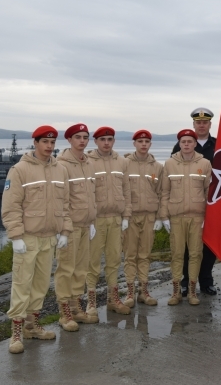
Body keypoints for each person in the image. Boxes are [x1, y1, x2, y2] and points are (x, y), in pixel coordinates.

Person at [1, 125, 71, 354]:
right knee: (22, 285)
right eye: (45, 142)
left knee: (40, 285)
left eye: (52, 143)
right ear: (36, 143)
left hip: (49, 237)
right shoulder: (19, 170)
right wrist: (16, 236)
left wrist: (64, 231)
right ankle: (16, 332)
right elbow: (11, 207)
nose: (49, 147)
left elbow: (66, 205)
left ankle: (32, 325)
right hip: (28, 238)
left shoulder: (61, 170)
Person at [159, 129, 212, 306]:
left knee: (196, 254)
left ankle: (192, 291)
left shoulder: (204, 164)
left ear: (195, 144)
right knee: (177, 254)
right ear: (179, 144)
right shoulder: (169, 164)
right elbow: (164, 191)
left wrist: (207, 215)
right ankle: (176, 292)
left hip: (197, 217)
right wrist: (164, 216)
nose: (187, 144)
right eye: (183, 142)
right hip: (176, 217)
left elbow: (208, 191)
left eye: (190, 141)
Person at [173, 108, 219, 297]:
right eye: (198, 122)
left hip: (213, 201)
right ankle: (185, 282)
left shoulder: (218, 145)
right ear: (193, 124)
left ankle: (206, 281)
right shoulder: (181, 146)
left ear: (209, 124)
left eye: (205, 122)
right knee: (185, 246)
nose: (201, 125)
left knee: (209, 246)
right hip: (187, 203)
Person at [86, 126, 132, 317]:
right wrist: (88, 219)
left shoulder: (122, 162)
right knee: (92, 262)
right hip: (96, 220)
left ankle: (113, 299)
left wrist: (126, 216)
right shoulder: (88, 161)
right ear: (95, 141)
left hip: (115, 219)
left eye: (110, 139)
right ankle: (91, 303)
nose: (106, 143)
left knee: (114, 260)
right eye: (102, 139)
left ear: (114, 141)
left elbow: (127, 190)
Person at [55, 123, 96, 332]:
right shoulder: (61, 165)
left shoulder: (88, 163)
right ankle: (65, 313)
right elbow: (59, 199)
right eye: (78, 137)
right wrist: (62, 228)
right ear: (69, 140)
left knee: (81, 269)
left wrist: (92, 221)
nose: (82, 140)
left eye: (85, 137)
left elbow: (91, 195)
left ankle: (76, 307)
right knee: (66, 269)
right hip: (69, 226)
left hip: (85, 224)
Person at [124, 130, 163, 307]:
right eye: (140, 141)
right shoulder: (124, 164)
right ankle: (130, 292)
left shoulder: (157, 167)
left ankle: (144, 291)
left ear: (150, 144)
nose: (143, 144)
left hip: (149, 215)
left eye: (147, 141)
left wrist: (161, 217)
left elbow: (162, 193)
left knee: (145, 255)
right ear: (134, 144)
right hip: (130, 216)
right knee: (130, 255)